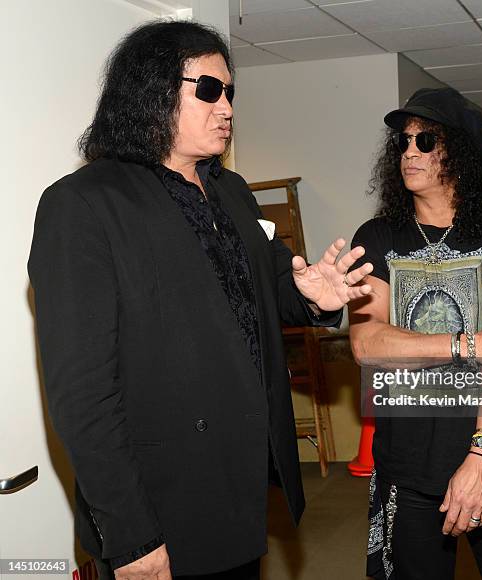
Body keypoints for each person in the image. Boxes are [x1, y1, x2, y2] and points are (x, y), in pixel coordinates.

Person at [28, 21, 373, 580]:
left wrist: (310, 297)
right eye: (208, 90)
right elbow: (82, 394)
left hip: (237, 487)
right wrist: (131, 535)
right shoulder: (85, 205)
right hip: (160, 502)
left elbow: (256, 297)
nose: (226, 107)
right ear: (152, 92)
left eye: (230, 92)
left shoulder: (232, 191)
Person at [348, 87, 482, 579]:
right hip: (405, 465)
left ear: (459, 150)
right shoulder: (376, 237)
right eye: (403, 142)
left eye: (426, 140)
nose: (409, 152)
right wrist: (467, 343)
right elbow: (367, 344)